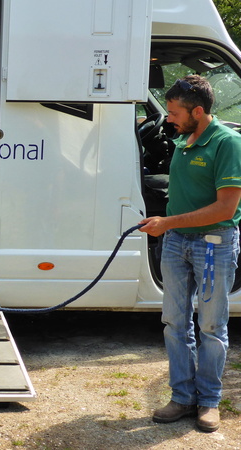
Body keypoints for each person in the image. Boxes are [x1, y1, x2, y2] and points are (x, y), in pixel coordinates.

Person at [139, 74, 241, 433]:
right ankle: (182, 397)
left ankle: (209, 401)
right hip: (176, 243)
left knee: (211, 326)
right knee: (174, 323)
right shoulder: (184, 138)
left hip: (213, 244)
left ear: (198, 111)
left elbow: (225, 209)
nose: (168, 118)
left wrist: (167, 222)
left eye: (173, 112)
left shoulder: (227, 144)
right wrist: (168, 225)